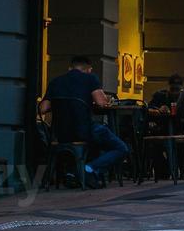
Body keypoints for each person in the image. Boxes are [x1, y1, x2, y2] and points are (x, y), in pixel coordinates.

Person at [40, 55, 129, 187]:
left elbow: (43, 108)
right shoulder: (90, 78)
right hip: (85, 130)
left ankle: (72, 172)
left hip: (60, 134)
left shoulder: (55, 82)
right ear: (88, 69)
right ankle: (89, 169)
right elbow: (101, 102)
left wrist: (63, 103)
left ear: (70, 68)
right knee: (121, 148)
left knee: (94, 142)